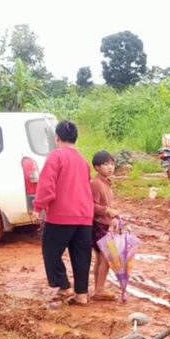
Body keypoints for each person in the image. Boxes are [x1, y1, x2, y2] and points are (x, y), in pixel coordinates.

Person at [33, 119, 93, 307]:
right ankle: (81, 294)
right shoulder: (83, 160)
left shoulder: (55, 156)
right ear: (75, 138)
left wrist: (38, 207)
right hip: (84, 216)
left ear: (56, 138)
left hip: (61, 215)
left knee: (50, 251)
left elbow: (46, 185)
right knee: (81, 255)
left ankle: (64, 286)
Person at [89, 150, 122, 302]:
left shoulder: (106, 182)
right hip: (99, 225)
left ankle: (98, 288)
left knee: (100, 258)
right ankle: (100, 289)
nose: (110, 167)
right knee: (107, 258)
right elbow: (91, 205)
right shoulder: (96, 184)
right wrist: (108, 211)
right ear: (97, 167)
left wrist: (114, 216)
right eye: (105, 164)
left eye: (112, 164)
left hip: (105, 223)